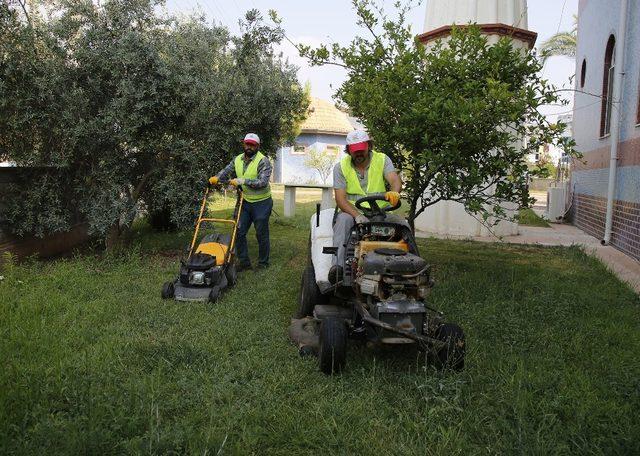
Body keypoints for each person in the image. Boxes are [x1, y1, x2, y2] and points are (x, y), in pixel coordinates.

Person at [331, 129, 402, 280]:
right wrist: (357, 216)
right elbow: (340, 199)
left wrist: (395, 192)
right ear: (349, 150)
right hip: (351, 212)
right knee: (343, 222)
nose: (358, 154)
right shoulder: (340, 167)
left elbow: (394, 180)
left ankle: (407, 267)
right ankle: (338, 269)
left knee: (402, 224)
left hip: (380, 211)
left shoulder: (382, 159)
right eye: (354, 151)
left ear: (369, 146)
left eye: (361, 150)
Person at [209, 133, 273, 271]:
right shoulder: (237, 159)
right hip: (244, 201)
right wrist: (216, 177)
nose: (249, 147)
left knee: (261, 233)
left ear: (257, 146)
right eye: (247, 144)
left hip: (262, 202)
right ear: (243, 144)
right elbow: (226, 171)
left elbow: (262, 182)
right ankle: (244, 262)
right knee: (238, 230)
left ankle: (263, 263)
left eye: (252, 145)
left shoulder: (263, 161)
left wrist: (242, 181)